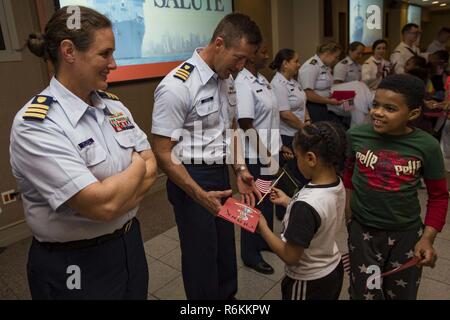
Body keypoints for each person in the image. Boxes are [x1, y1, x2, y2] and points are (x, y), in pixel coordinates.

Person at [9, 6, 158, 299]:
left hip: (129, 244)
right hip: (75, 262)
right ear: (69, 51)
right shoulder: (36, 124)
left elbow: (153, 162)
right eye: (105, 54)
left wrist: (122, 189)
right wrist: (138, 168)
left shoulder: (113, 105)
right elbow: (101, 206)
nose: (113, 64)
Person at [151, 13, 263, 300]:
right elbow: (163, 154)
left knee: (225, 248)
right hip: (190, 176)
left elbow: (232, 128)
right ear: (219, 43)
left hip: (219, 173)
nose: (241, 68)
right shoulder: (177, 86)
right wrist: (198, 194)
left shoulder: (226, 79)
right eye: (238, 58)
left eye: (246, 61)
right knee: (201, 255)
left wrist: (240, 169)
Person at [344, 74, 449, 300]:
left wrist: (427, 239)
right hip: (363, 233)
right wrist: (348, 212)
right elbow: (349, 175)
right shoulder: (356, 136)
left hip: (406, 236)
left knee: (400, 294)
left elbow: (439, 196)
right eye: (376, 105)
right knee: (365, 294)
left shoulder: (427, 146)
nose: (378, 112)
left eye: (390, 108)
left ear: (412, 114)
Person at [257, 121, 347, 300]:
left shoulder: (305, 206)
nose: (296, 161)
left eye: (297, 157)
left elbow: (290, 256)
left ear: (311, 158)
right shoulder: (336, 183)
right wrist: (289, 202)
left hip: (309, 281)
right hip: (332, 267)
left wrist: (263, 228)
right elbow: (320, 216)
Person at [235, 43, 286, 275]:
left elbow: (271, 118)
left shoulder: (262, 79)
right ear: (251, 56)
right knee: (252, 203)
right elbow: (245, 124)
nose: (268, 56)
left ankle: (264, 240)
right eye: (263, 52)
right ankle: (249, 253)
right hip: (256, 157)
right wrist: (266, 157)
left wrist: (278, 149)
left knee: (265, 200)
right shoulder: (243, 83)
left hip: (269, 153)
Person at [270, 48, 311, 220]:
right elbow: (285, 113)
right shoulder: (277, 84)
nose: (299, 64)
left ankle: (296, 208)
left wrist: (308, 121)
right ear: (285, 64)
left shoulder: (293, 81)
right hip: (288, 136)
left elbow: (302, 104)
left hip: (300, 132)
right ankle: (284, 212)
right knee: (291, 176)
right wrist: (304, 128)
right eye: (296, 61)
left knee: (301, 174)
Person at [298, 42, 346, 123]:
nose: (336, 60)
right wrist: (330, 101)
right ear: (327, 53)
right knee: (321, 131)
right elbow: (309, 95)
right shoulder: (311, 67)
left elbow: (326, 87)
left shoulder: (325, 66)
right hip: (313, 106)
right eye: (336, 57)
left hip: (324, 103)